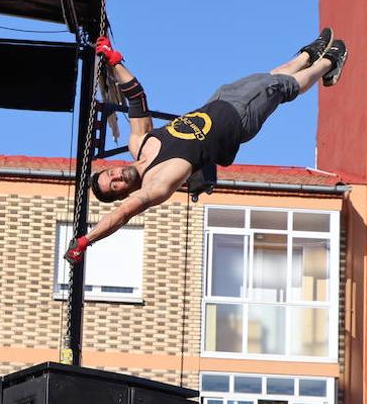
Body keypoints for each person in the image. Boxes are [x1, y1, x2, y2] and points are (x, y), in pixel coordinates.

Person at [64, 29, 347, 265]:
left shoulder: (139, 143)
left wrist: (115, 61)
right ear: (124, 192)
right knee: (283, 87)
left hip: (219, 100)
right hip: (238, 120)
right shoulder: (155, 186)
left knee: (269, 78)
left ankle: (310, 54)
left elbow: (136, 98)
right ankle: (329, 63)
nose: (116, 177)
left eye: (110, 174)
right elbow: (121, 215)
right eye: (114, 186)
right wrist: (86, 241)